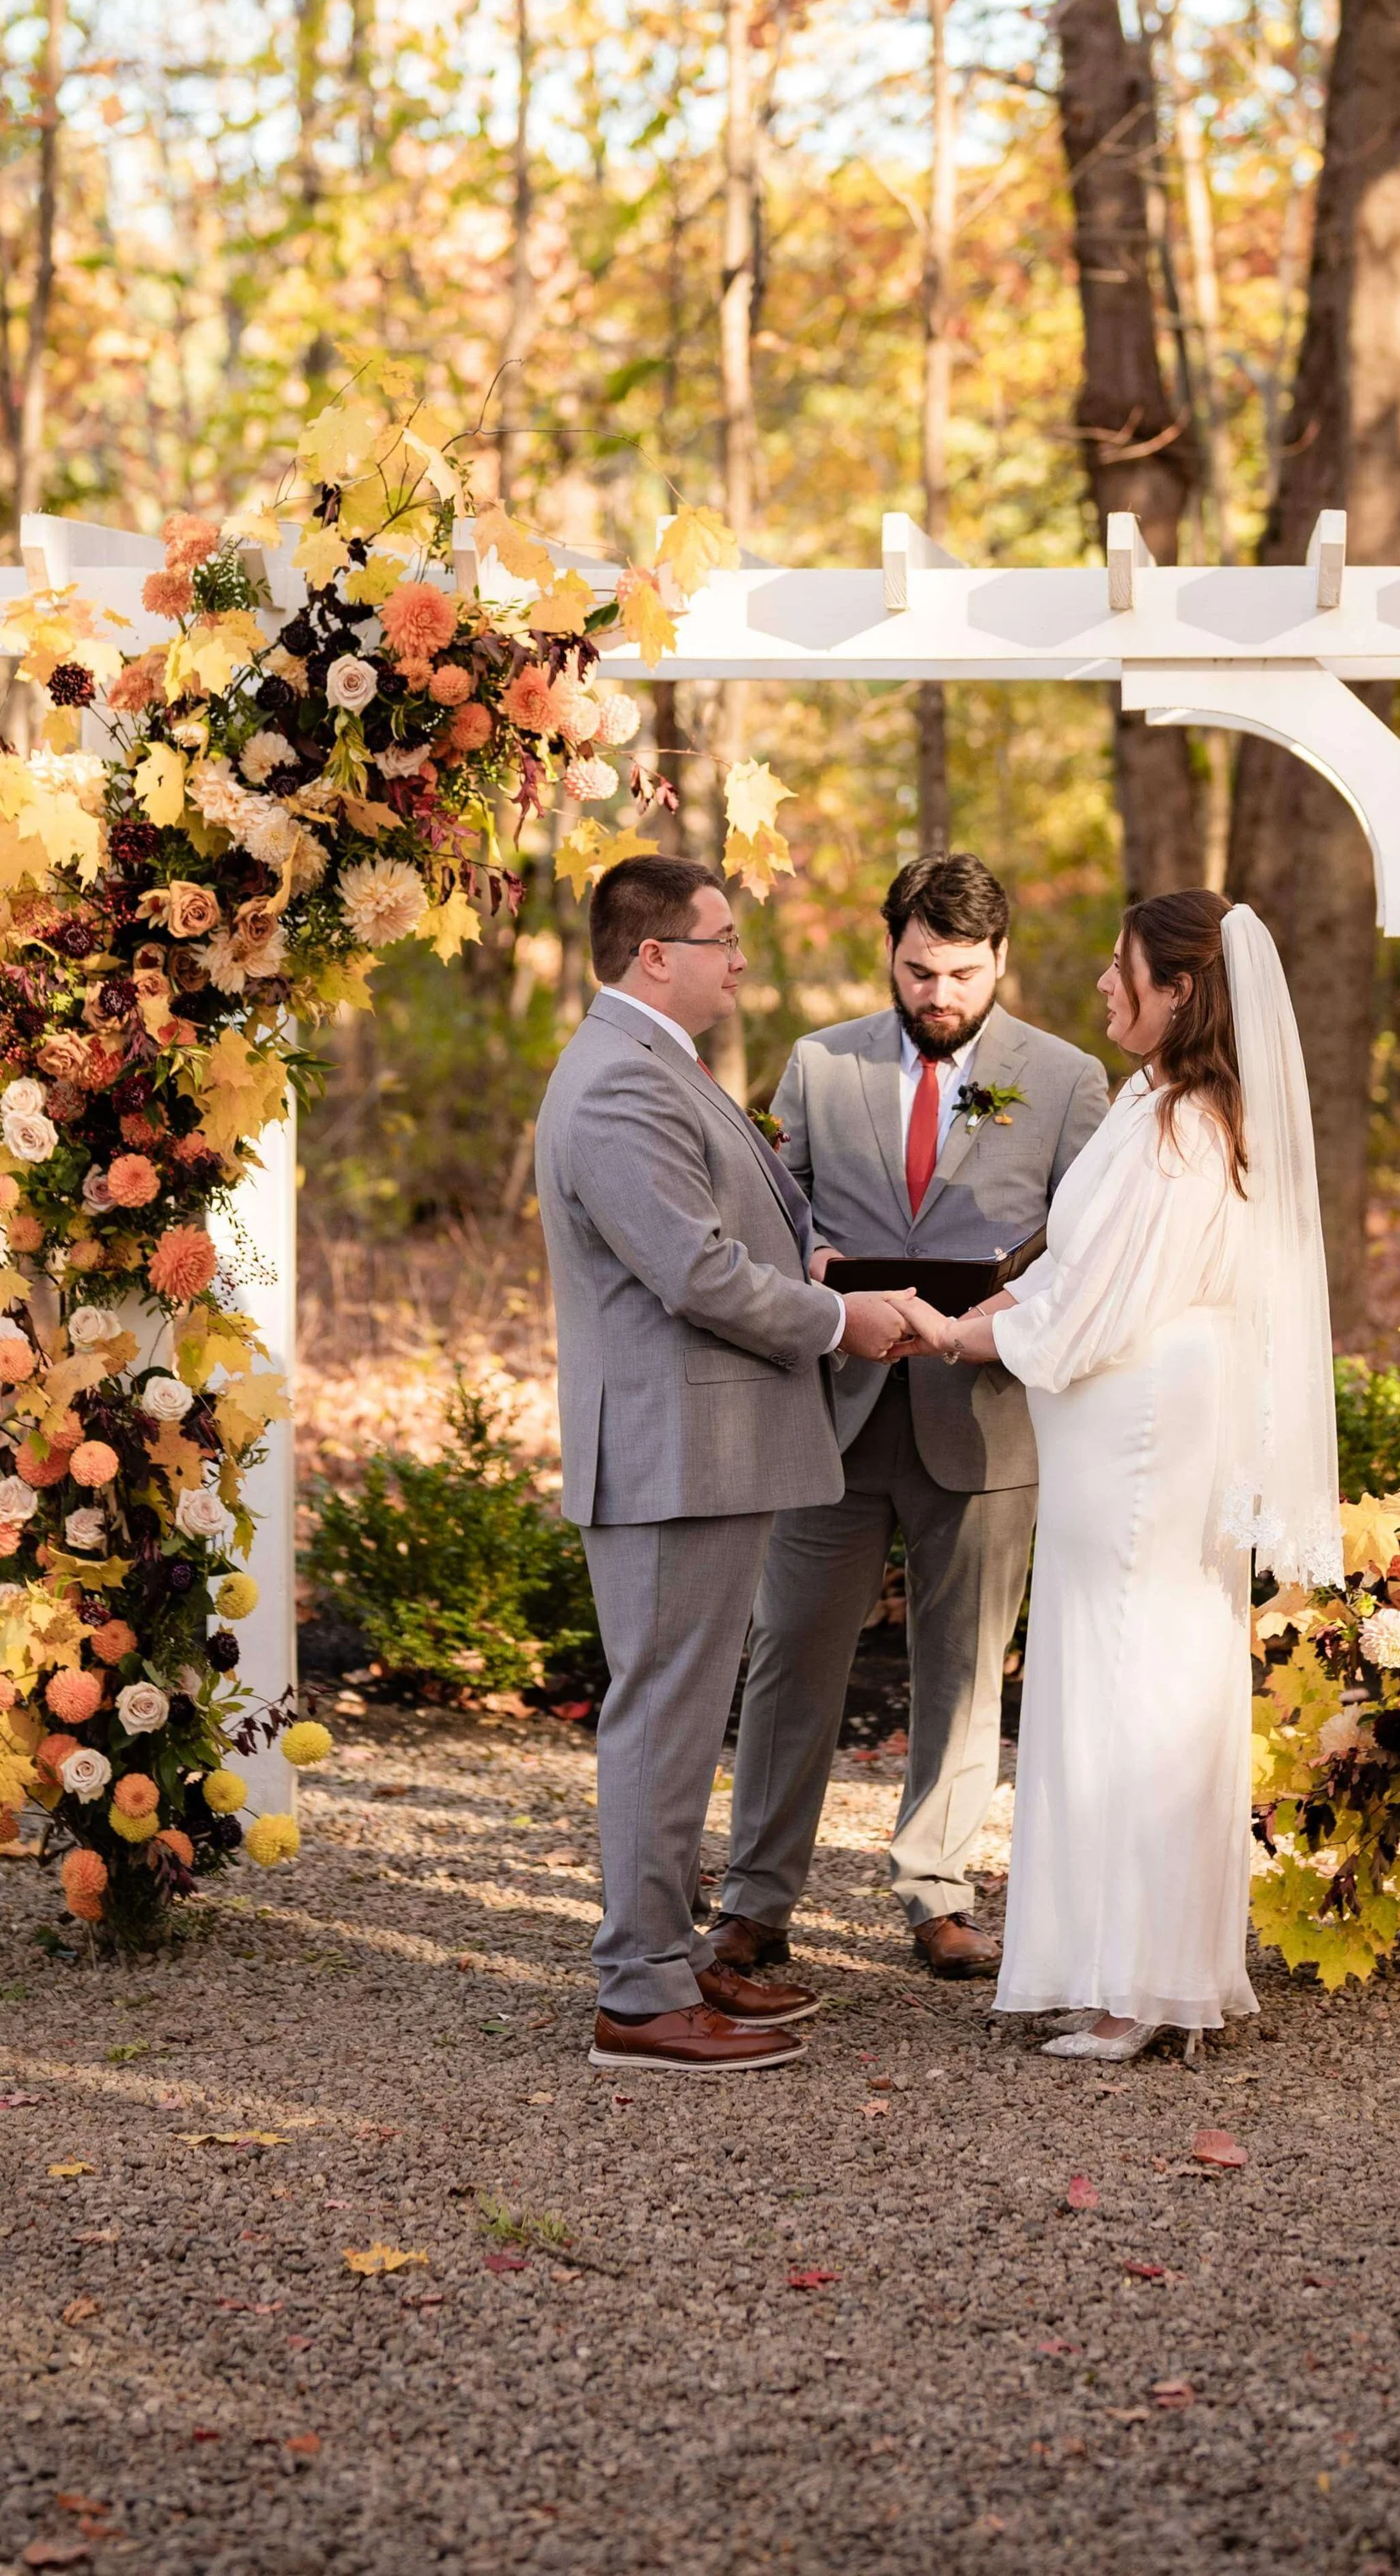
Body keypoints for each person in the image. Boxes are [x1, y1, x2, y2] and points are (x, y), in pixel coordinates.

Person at [891, 893, 1341, 2060]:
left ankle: (1143, 1982)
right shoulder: (1156, 1103)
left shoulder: (1189, 1125)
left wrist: (956, 1335)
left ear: (1180, 990)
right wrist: (1000, 1302)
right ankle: (1133, 1960)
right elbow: (1082, 1264)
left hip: (1144, 1420)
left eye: (1122, 965)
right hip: (1126, 1413)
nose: (1101, 981)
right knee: (1125, 1666)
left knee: (1141, 1679)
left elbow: (1102, 1302)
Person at [535, 854, 915, 2075]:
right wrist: (838, 1320)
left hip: (706, 1445)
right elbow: (691, 1273)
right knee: (663, 1715)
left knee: (688, 1713)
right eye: (722, 938)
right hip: (671, 1449)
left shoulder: (656, 1066)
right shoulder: (614, 1085)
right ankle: (639, 1996)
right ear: (655, 953)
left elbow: (714, 1235)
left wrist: (801, 1260)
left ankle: (666, 1955)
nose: (740, 959)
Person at [711, 852, 1108, 1984]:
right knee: (790, 1652)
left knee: (966, 1663)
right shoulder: (818, 1063)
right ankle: (754, 1901)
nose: (939, 993)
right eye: (920, 967)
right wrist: (817, 1265)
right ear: (889, 949)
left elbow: (1092, 1250)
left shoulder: (1070, 1079)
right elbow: (762, 1212)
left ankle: (938, 1892)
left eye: (964, 973)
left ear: (1001, 961)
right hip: (831, 1405)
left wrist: (1006, 1305)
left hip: (983, 1411)